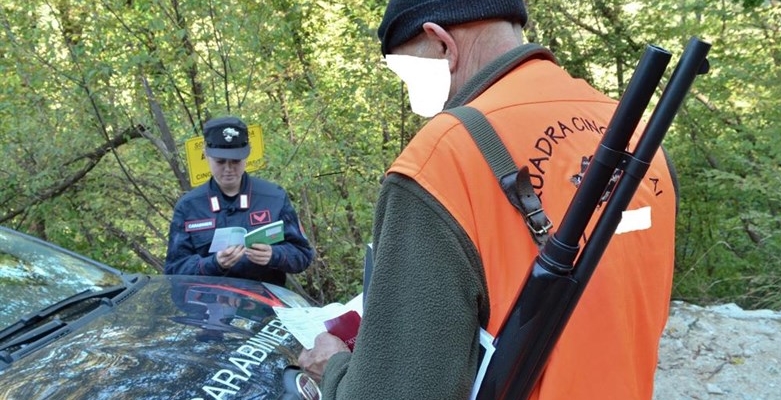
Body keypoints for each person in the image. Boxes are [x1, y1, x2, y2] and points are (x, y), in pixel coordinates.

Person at [298, 1, 679, 399]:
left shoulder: (442, 159)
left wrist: (335, 368)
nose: (411, 95)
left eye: (406, 72)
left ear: (441, 43)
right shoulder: (639, 138)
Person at [164, 116, 314, 286]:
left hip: (263, 299)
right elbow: (173, 271)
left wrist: (274, 255)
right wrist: (214, 263)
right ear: (206, 154)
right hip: (209, 300)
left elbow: (303, 255)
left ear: (247, 154)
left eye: (236, 161)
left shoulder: (274, 198)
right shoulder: (189, 207)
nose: (228, 169)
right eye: (220, 162)